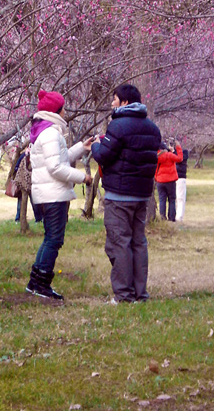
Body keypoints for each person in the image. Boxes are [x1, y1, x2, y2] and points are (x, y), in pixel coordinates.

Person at [91, 83, 161, 303]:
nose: (112, 103)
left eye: (114, 99)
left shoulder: (118, 126)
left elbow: (103, 156)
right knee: (138, 242)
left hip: (119, 196)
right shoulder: (152, 128)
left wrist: (94, 145)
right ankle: (140, 293)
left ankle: (123, 295)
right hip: (142, 196)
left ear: (125, 103)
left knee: (119, 243)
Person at [26, 89, 93, 300]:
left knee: (50, 239)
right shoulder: (51, 133)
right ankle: (41, 284)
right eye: (64, 108)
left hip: (48, 193)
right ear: (57, 110)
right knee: (54, 239)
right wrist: (82, 178)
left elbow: (59, 159)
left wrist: (82, 148)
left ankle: (35, 283)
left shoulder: (44, 131)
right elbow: (56, 168)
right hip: (53, 194)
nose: (66, 112)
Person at [155, 139, 183, 221]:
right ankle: (171, 218)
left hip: (160, 181)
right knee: (172, 199)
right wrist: (178, 147)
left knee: (162, 200)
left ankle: (162, 218)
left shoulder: (156, 156)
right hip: (170, 181)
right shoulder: (169, 155)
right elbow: (180, 158)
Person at [176, 145, 189, 222]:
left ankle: (179, 216)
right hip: (174, 177)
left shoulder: (184, 152)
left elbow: (180, 159)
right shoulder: (171, 151)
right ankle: (177, 216)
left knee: (180, 198)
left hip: (180, 177)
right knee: (178, 198)